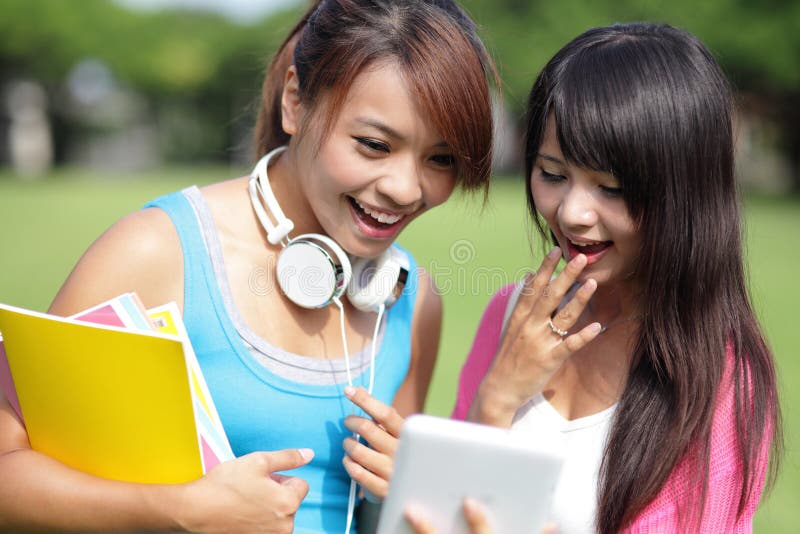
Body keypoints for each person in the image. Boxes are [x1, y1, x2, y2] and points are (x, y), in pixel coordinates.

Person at [0, 1, 497, 532]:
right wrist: (181, 511)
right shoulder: (154, 254)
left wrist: (409, 485)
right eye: (374, 145)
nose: (405, 188)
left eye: (441, 159)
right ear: (295, 103)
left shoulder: (409, 299)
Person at [345, 22, 782, 533]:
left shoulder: (723, 377)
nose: (572, 212)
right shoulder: (512, 313)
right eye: (552, 175)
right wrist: (496, 399)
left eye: (611, 188)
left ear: (686, 196)